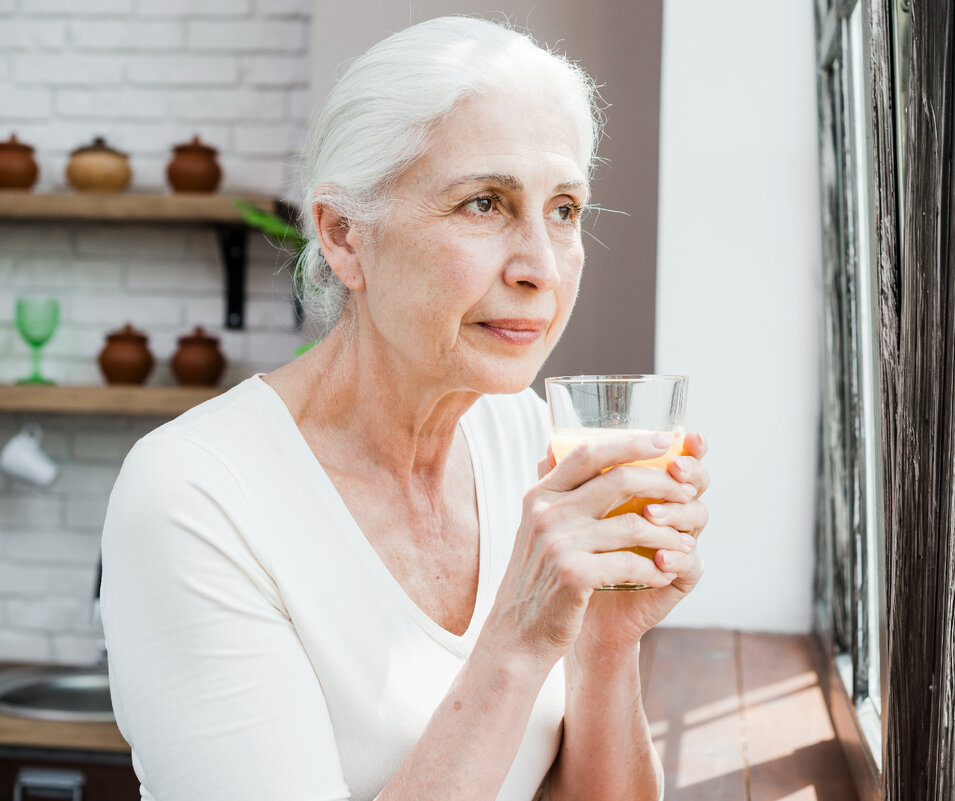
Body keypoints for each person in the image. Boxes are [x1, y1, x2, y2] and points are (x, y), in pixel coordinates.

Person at [100, 16, 709, 801]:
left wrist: (604, 638)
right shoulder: (194, 494)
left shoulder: (528, 437)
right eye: (484, 203)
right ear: (345, 236)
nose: (540, 267)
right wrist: (518, 642)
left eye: (563, 209)